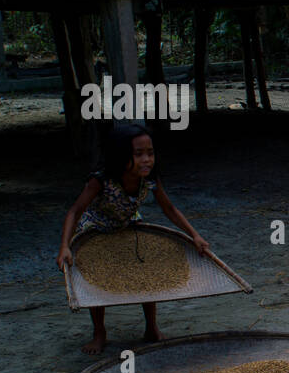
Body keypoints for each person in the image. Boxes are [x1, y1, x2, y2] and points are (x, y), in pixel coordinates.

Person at [56, 124, 209, 355]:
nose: (146, 159)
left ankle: (151, 328)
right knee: (98, 276)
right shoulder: (101, 180)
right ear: (121, 155)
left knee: (144, 271)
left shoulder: (149, 179)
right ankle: (99, 333)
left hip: (128, 225)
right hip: (96, 230)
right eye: (138, 154)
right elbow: (75, 211)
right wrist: (65, 247)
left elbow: (169, 208)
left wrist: (195, 235)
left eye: (150, 153)